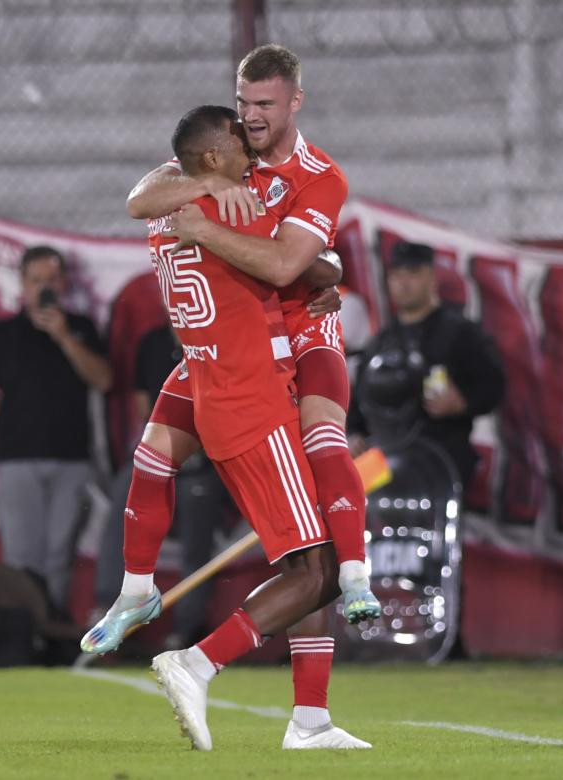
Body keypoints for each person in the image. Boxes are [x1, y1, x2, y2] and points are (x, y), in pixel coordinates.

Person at [87, 105, 370, 752]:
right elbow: (295, 264)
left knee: (155, 458)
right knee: (317, 572)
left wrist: (208, 194)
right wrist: (325, 270)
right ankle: (198, 663)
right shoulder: (234, 206)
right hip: (254, 400)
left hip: (204, 375)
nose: (251, 149)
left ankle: (138, 592)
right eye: (239, 140)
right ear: (214, 157)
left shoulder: (170, 205)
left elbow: (141, 196)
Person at [120, 43, 378, 624]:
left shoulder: (320, 176)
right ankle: (136, 591)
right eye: (244, 103)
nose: (252, 116)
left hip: (302, 337)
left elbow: (292, 266)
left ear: (295, 103)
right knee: (153, 457)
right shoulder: (229, 157)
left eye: (264, 103)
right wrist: (204, 188)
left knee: (324, 451)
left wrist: (329, 269)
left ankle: (356, 578)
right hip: (233, 351)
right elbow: (140, 198)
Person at [0, 245, 112, 613]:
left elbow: (103, 380)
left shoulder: (81, 328)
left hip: (71, 457)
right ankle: (24, 629)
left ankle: (53, 628)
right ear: (23, 286)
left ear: (64, 283)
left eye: (52, 279)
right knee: (22, 555)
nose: (45, 287)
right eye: (37, 280)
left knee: (61, 554)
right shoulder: (3, 333)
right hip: (16, 456)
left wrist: (64, 338)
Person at [92, 323, 221, 647]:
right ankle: (113, 600)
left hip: (206, 457)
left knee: (197, 542)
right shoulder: (152, 342)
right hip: (165, 443)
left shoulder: (218, 336)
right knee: (127, 493)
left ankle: (185, 628)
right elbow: (143, 406)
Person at [348, 241, 506, 487]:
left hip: (440, 459)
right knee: (356, 508)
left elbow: (494, 384)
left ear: (431, 277)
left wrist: (462, 402)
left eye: (412, 274)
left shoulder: (460, 332)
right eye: (396, 275)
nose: (403, 283)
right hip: (384, 461)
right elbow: (360, 396)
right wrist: (353, 432)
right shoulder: (381, 341)